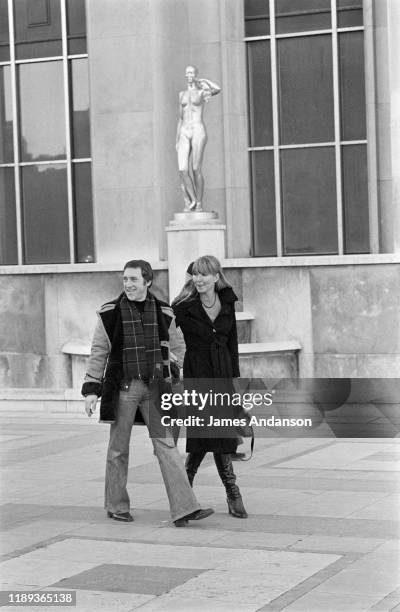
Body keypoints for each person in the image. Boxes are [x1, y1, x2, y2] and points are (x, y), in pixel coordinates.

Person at [81, 259, 213, 527]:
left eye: (133, 280)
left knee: (167, 446)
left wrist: (179, 370)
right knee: (118, 449)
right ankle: (117, 505)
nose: (128, 284)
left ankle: (185, 508)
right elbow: (99, 352)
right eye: (125, 280)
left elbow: (179, 347)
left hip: (155, 388)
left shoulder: (164, 312)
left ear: (147, 282)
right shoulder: (110, 313)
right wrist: (91, 390)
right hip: (124, 388)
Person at [172, 255, 248, 518]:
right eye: (195, 274)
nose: (199, 279)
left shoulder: (227, 301)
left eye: (204, 274)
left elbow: (232, 344)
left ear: (216, 276)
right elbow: (167, 337)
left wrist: (235, 381)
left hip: (223, 375)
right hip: (198, 375)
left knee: (218, 434)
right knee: (206, 434)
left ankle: (189, 493)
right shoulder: (182, 306)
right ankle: (229, 492)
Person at [176, 65, 221, 212]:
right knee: (182, 169)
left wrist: (202, 80)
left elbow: (217, 89)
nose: (189, 75)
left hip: (197, 129)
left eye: (191, 73)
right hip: (184, 130)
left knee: (195, 168)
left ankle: (199, 203)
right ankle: (192, 200)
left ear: (195, 75)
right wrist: (177, 139)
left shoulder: (202, 93)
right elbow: (180, 118)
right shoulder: (181, 94)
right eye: (187, 72)